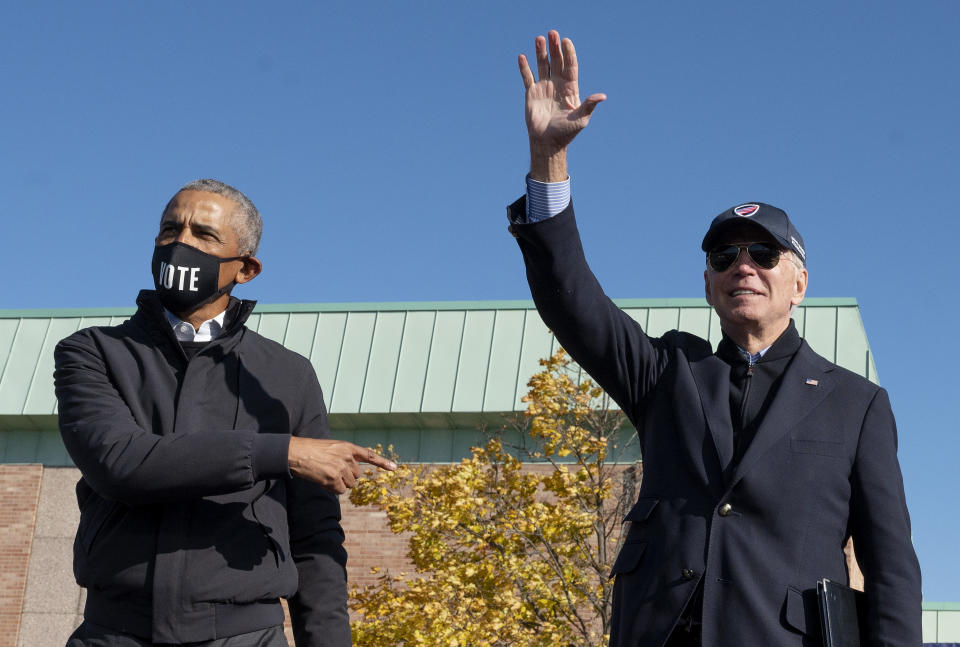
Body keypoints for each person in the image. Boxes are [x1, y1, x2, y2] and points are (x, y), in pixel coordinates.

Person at [507, 31, 921, 646]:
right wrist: (549, 162)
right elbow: (574, 306)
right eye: (724, 255)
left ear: (799, 282)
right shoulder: (667, 372)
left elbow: (889, 565)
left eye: (763, 253)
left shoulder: (855, 404)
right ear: (708, 284)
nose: (742, 266)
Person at [55, 179, 397, 647]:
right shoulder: (92, 352)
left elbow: (314, 536)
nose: (180, 243)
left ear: (247, 268)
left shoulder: (288, 375)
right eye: (169, 229)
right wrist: (284, 452)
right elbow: (121, 463)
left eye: (204, 235)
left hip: (246, 636)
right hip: (113, 633)